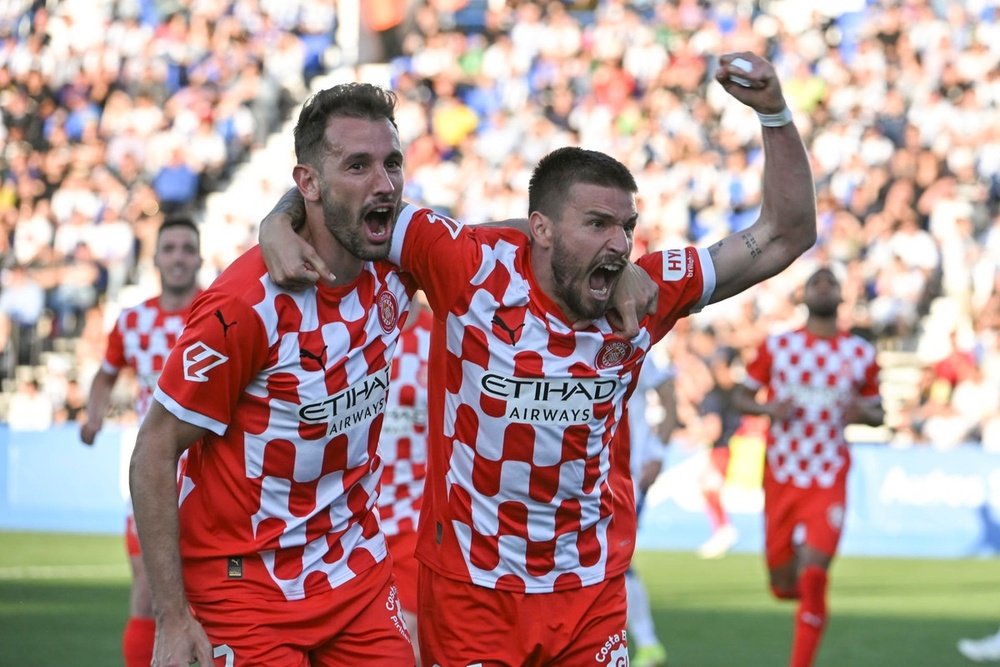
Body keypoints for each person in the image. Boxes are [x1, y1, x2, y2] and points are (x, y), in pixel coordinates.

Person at [260, 51, 816, 664]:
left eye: (627, 227)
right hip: (471, 591)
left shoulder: (644, 296)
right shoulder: (468, 268)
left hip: (589, 590)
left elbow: (785, 234)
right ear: (541, 229)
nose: (620, 243)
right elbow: (347, 201)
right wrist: (277, 221)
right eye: (597, 224)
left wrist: (774, 114)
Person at [129, 83, 418, 667]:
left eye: (391, 163)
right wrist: (173, 618)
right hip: (244, 580)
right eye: (357, 165)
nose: (384, 183)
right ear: (308, 183)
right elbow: (155, 448)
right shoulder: (244, 304)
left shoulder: (398, 257)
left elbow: (502, 246)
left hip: (352, 569)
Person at [731, 266, 884, 667]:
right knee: (783, 584)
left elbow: (878, 411)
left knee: (814, 575)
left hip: (828, 474)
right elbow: (740, 396)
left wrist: (862, 412)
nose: (824, 287)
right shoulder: (778, 346)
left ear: (842, 296)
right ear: (803, 296)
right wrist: (768, 409)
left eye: (831, 282)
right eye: (816, 282)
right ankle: (802, 594)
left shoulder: (860, 353)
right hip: (782, 473)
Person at [80, 216, 203, 667]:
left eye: (187, 249)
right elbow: (105, 375)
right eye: (169, 248)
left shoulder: (220, 311)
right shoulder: (133, 321)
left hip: (211, 476)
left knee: (215, 602)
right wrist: (94, 415)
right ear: (155, 259)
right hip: (154, 474)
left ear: (200, 259)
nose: (178, 258)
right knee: (148, 592)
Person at [378, 295, 432, 666]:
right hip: (354, 522)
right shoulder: (355, 329)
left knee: (409, 640)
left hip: (412, 516)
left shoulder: (438, 335)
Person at [625, 353, 676, 667]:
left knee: (616, 557)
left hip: (628, 473)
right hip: (583, 472)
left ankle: (646, 642)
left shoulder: (632, 341)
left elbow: (668, 393)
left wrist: (657, 451)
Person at [694, 345, 742, 559]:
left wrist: (698, 435)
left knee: (710, 489)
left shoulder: (713, 396)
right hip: (735, 448)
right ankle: (722, 529)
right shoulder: (739, 392)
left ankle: (723, 529)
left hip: (722, 450)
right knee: (709, 489)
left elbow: (713, 429)